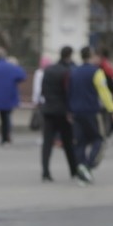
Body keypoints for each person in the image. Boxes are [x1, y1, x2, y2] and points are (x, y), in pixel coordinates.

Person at [69, 46, 113, 184]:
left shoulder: (74, 72)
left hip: (76, 112)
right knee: (99, 139)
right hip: (91, 112)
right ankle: (87, 166)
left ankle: (82, 170)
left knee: (80, 142)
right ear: (92, 56)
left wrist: (69, 110)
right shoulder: (96, 72)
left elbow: (70, 92)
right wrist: (112, 110)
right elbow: (104, 92)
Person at [40, 46, 79, 183]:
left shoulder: (49, 70)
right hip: (62, 112)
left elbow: (43, 90)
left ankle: (45, 172)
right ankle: (73, 171)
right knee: (68, 142)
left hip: (49, 110)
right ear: (69, 55)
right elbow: (69, 92)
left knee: (47, 143)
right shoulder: (68, 71)